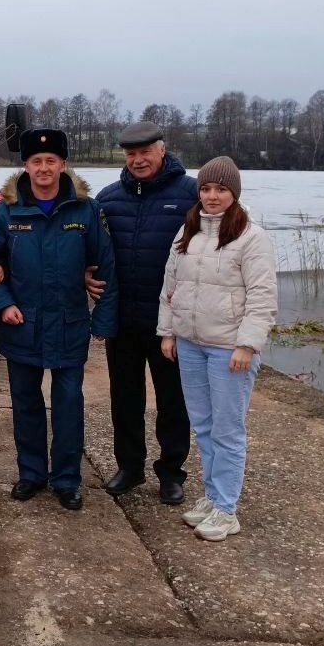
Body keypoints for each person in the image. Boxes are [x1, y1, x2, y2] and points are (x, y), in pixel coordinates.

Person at [0, 128, 118, 510]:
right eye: (36, 161)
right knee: (25, 404)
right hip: (22, 324)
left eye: (51, 161)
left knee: (69, 404)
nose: (43, 168)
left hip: (70, 324)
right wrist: (2, 303)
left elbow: (106, 266)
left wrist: (103, 320)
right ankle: (32, 474)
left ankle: (67, 480)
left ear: (63, 164)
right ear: (25, 166)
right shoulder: (7, 210)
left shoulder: (85, 210)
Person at [158, 156, 277, 541]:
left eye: (221, 189)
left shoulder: (251, 237)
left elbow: (262, 296)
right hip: (191, 344)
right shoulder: (187, 232)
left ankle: (227, 509)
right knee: (204, 426)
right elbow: (170, 287)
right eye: (206, 189)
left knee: (227, 430)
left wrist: (247, 344)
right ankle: (212, 497)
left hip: (229, 349)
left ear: (234, 193)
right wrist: (168, 333)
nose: (212, 196)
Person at [96, 121, 199, 505]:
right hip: (122, 319)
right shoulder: (108, 198)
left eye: (144, 152)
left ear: (162, 150)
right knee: (125, 398)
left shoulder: (191, 195)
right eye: (130, 154)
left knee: (173, 400)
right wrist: (87, 277)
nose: (137, 160)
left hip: (169, 323)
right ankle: (130, 467)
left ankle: (172, 472)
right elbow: (92, 252)